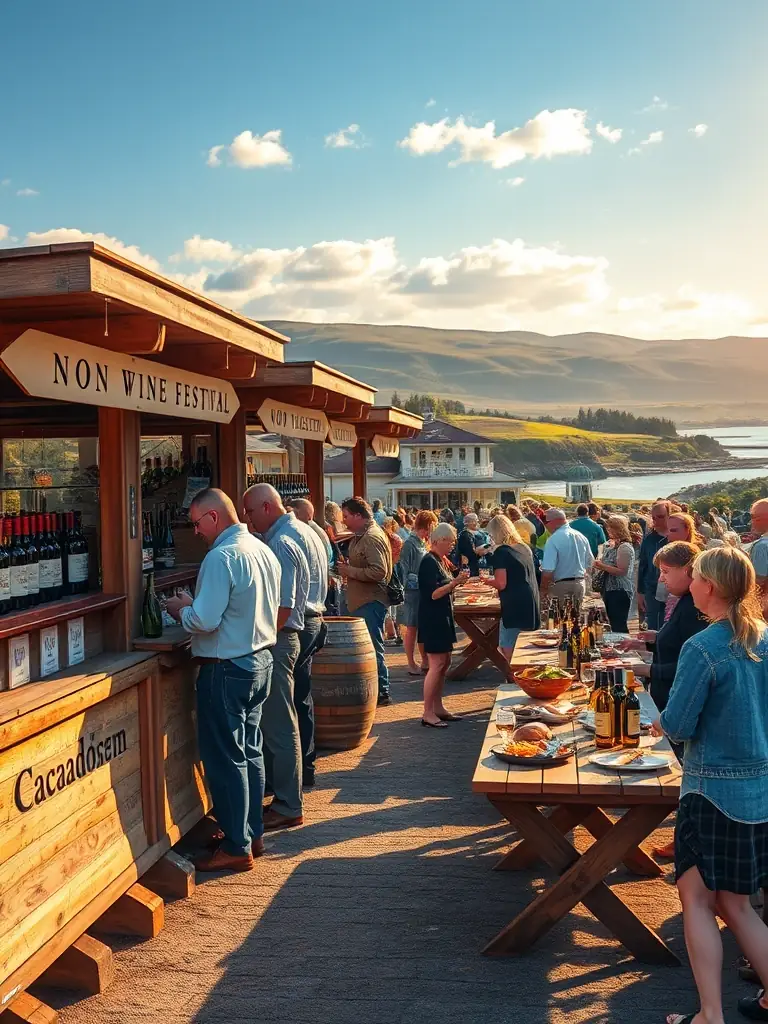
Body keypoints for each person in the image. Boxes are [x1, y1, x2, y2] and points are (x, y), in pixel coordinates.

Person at [659, 548, 768, 1024]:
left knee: (698, 901)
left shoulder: (702, 646)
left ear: (711, 587)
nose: (692, 583)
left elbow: (679, 724)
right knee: (739, 906)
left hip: (711, 791)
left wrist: (659, 720)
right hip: (760, 790)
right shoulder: (763, 639)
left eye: (697, 576)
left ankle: (709, 1014)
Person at [166, 489, 279, 873]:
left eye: (197, 523)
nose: (196, 532)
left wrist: (182, 609)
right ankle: (253, 832)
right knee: (250, 751)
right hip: (261, 659)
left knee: (227, 760)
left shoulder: (221, 556)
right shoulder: (262, 548)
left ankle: (236, 845)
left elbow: (204, 620)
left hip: (227, 666)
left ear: (214, 517)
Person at [243, 483, 327, 827]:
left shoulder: (280, 541)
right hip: (307, 622)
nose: (247, 520)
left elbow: (283, 606)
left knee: (279, 721)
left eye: (249, 512)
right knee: (289, 713)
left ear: (266, 507)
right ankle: (288, 795)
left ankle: (288, 804)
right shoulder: (303, 529)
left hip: (286, 632)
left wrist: (258, 635)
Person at [619, 540, 708, 858]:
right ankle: (683, 837)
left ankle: (684, 840)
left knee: (681, 776)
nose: (661, 579)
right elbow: (679, 644)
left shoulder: (696, 607)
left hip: (676, 699)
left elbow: (692, 667)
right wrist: (654, 639)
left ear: (689, 571)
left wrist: (645, 667)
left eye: (665, 572)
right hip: (665, 695)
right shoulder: (685, 601)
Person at [277, 495, 330, 789]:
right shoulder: (311, 531)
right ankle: (306, 768)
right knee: (302, 699)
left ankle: (293, 777)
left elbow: (286, 603)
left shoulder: (285, 538)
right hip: (314, 619)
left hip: (300, 624)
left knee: (289, 705)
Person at [337, 496, 393, 706]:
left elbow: (379, 571)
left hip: (370, 602)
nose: (345, 521)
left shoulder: (371, 537)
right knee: (369, 647)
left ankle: (382, 691)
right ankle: (377, 689)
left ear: (359, 515)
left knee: (372, 647)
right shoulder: (364, 534)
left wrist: (349, 570)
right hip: (363, 601)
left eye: (347, 516)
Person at [418, 523, 468, 727]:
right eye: (450, 541)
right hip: (433, 618)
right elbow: (433, 593)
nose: (452, 545)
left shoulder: (440, 560)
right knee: (436, 664)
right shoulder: (429, 561)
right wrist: (454, 583)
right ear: (439, 540)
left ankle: (438, 707)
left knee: (445, 662)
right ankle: (427, 712)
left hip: (442, 617)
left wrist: (456, 582)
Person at [484, 515, 539, 667]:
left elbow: (501, 583)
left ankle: (513, 679)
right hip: (530, 598)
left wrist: (486, 581)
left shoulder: (501, 552)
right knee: (524, 646)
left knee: (508, 646)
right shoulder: (522, 547)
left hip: (514, 603)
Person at [397, 509, 438, 675]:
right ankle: (410, 661)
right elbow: (403, 571)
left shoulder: (422, 542)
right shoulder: (409, 543)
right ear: (426, 526)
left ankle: (424, 659)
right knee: (411, 627)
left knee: (422, 626)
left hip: (423, 591)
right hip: (413, 593)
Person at [539, 507, 593, 605]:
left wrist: (543, 589)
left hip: (561, 585)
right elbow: (590, 562)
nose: (545, 527)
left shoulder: (553, 539)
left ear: (552, 522)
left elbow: (548, 570)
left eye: (546, 524)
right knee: (575, 618)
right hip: (580, 583)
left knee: (558, 618)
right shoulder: (581, 536)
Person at [592, 515, 635, 633]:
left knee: (618, 624)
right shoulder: (614, 545)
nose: (608, 531)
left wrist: (601, 566)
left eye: (610, 529)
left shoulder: (624, 547)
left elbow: (623, 571)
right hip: (610, 589)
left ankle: (623, 647)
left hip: (619, 591)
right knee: (612, 623)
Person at [637, 500, 670, 629]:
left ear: (669, 515)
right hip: (652, 588)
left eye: (660, 516)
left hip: (675, 590)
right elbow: (642, 566)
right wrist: (640, 592)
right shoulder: (649, 539)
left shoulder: (676, 538)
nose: (656, 520)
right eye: (653, 517)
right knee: (654, 625)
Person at [458, 512, 491, 577]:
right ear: (468, 523)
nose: (476, 523)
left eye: (476, 521)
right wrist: (483, 549)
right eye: (474, 521)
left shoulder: (481, 532)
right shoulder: (465, 535)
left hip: (483, 564)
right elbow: (470, 553)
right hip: (473, 567)